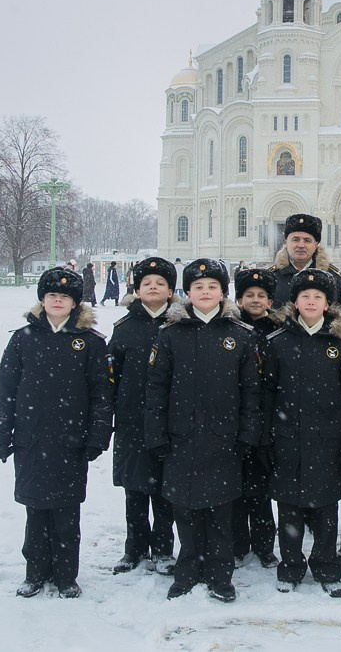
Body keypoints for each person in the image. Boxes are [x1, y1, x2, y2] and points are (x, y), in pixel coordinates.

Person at [0, 267, 113, 599]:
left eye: (65, 297)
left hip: (71, 442)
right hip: (31, 439)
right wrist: (1, 432)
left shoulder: (89, 343)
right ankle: (35, 571)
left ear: (75, 304)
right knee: (35, 511)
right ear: (42, 300)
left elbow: (102, 394)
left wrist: (98, 436)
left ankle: (65, 575)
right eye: (51, 296)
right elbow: (6, 390)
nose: (57, 301)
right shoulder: (23, 339)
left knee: (66, 515)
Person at [145, 259, 261, 602]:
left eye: (212, 287)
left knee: (220, 511)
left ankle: (220, 574)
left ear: (222, 293)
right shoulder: (170, 335)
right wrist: (157, 435)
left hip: (224, 440)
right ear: (187, 293)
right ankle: (188, 570)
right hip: (181, 438)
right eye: (198, 287)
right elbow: (156, 389)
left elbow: (251, 391)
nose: (205, 293)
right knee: (185, 509)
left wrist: (246, 435)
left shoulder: (240, 336)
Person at [261, 268, 341, 597]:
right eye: (304, 296)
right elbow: (264, 394)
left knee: (326, 506)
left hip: (328, 439)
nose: (310, 301)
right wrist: (266, 437)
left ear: (327, 303)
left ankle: (326, 564)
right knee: (288, 506)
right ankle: (290, 566)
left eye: (317, 297)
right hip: (287, 437)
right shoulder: (276, 343)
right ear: (294, 302)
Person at [108, 257, 178, 577]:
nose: (153, 287)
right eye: (147, 283)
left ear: (170, 291)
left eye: (160, 283)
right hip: (132, 421)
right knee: (134, 490)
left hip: (167, 423)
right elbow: (110, 376)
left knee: (165, 492)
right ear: (136, 291)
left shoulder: (178, 327)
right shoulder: (124, 329)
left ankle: (163, 550)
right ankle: (134, 547)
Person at [231, 267, 282, 568]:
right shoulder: (230, 330)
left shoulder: (277, 332)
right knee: (236, 488)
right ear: (238, 300)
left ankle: (264, 545)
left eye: (261, 295)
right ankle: (238, 544)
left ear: (270, 301)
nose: (255, 300)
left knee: (261, 490)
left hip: (267, 417)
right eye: (249, 295)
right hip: (237, 417)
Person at [271, 213, 341, 306]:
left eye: (307, 240)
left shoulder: (333, 278)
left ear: (316, 245)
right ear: (286, 243)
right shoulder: (272, 278)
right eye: (295, 239)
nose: (301, 245)